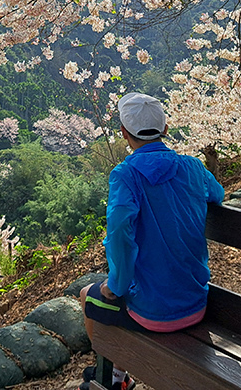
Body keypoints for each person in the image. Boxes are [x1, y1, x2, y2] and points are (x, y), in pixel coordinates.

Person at [79, 92, 225, 390]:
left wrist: (116, 284)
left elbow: (120, 230)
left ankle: (114, 378)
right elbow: (218, 195)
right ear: (166, 129)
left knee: (87, 295)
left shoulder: (126, 175)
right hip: (196, 303)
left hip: (152, 313)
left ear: (124, 134)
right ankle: (120, 377)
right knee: (113, 297)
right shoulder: (193, 167)